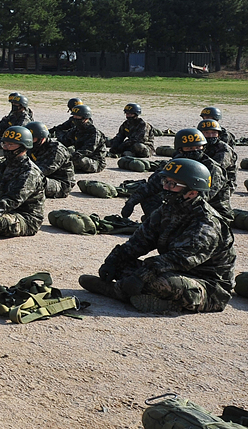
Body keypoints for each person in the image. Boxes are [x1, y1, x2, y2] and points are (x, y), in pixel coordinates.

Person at [79, 157, 235, 313]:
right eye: (165, 182)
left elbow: (180, 259)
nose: (165, 188)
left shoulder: (207, 223)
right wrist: (114, 259)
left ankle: (115, 291)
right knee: (126, 266)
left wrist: (142, 276)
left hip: (208, 288)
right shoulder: (167, 210)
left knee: (160, 282)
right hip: (172, 270)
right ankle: (136, 293)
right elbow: (139, 241)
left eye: (172, 184)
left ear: (192, 192)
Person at [122, 129, 232, 222]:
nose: (195, 151)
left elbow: (202, 198)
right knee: (150, 197)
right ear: (180, 149)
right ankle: (158, 223)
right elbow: (151, 185)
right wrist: (131, 202)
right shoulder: (175, 163)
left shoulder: (213, 168)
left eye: (198, 148)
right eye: (190, 148)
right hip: (183, 205)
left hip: (212, 213)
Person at [25, 121, 74, 199]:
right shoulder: (33, 146)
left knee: (28, 181)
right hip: (42, 177)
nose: (29, 141)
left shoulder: (56, 150)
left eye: (32, 138)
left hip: (60, 184)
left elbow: (44, 170)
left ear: (41, 138)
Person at [58, 104, 107, 173]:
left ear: (85, 118)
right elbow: (65, 141)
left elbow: (87, 150)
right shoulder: (76, 129)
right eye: (74, 116)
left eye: (77, 116)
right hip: (81, 156)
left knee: (76, 159)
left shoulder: (94, 132)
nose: (74, 118)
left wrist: (69, 157)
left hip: (95, 162)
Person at [199, 119, 238, 184]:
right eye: (206, 133)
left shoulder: (224, 148)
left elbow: (219, 166)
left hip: (223, 183)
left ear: (218, 134)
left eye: (213, 133)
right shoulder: (199, 146)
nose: (210, 135)